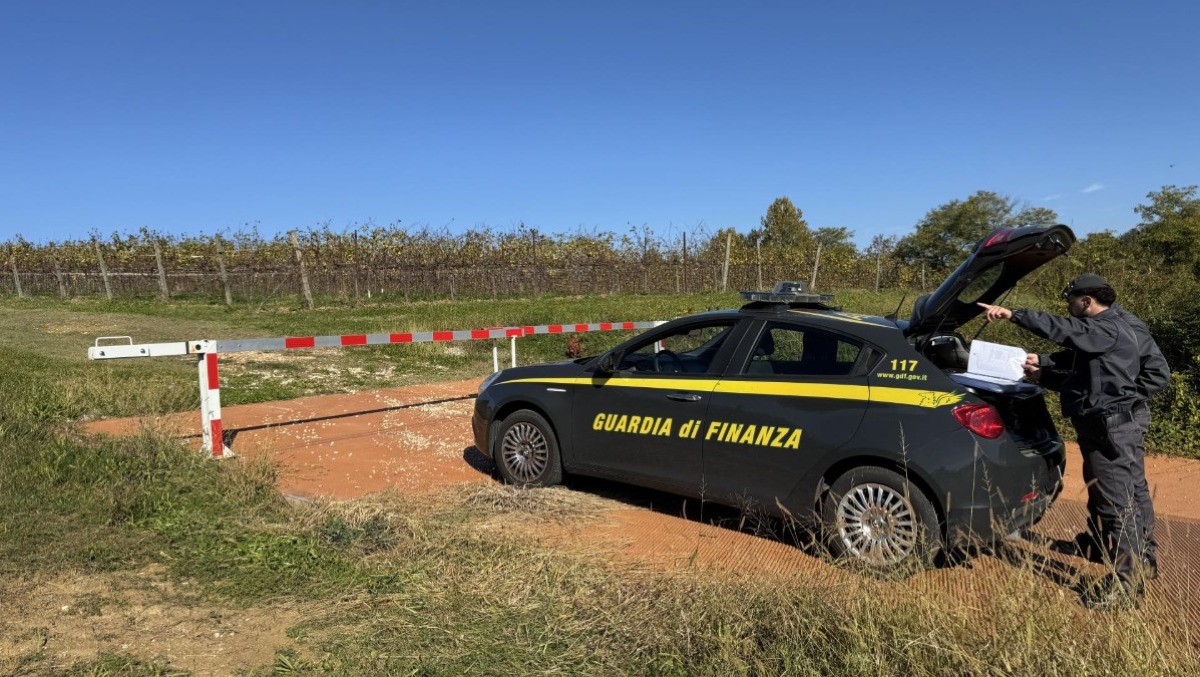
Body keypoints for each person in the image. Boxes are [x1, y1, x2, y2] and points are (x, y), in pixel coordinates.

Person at [977, 274, 1154, 609]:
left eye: (1071, 301)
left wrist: (1014, 314)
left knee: (1116, 502)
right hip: (1122, 424)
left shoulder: (1103, 327)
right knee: (1135, 492)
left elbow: (1065, 331)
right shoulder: (1126, 323)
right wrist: (1044, 367)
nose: (1068, 307)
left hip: (1108, 428)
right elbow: (1085, 366)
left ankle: (1126, 585)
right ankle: (1145, 560)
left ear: (1087, 301)